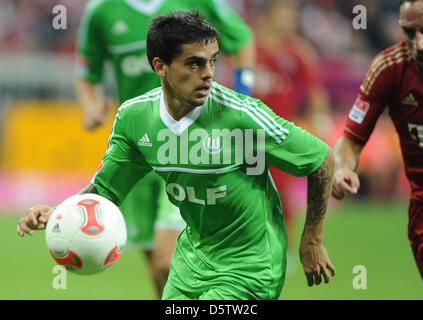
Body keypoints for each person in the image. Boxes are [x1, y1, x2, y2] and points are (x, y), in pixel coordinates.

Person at [18, 11, 335, 300]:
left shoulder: (242, 115)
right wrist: (60, 211)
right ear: (160, 66)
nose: (208, 73)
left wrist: (311, 240)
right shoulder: (135, 119)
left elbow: (321, 159)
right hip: (192, 264)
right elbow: (105, 190)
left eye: (213, 61)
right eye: (195, 63)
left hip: (250, 265)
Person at [75, 0, 255, 297]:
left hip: (188, 145)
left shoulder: (200, 3)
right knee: (158, 274)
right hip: (139, 149)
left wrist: (244, 93)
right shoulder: (101, 11)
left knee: (167, 261)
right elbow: (86, 73)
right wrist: (92, 106)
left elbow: (243, 39)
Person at [332, 0, 423, 279]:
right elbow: (350, 141)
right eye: (410, 32)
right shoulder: (388, 69)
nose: (418, 44)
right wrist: (342, 168)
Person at [250, 0, 332, 264]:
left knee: (281, 192)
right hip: (248, 134)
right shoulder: (248, 49)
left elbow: (315, 91)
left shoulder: (298, 52)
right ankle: (248, 246)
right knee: (248, 190)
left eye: (293, 12)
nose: (291, 17)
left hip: (281, 135)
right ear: (270, 14)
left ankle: (281, 250)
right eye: (286, 11)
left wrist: (319, 123)